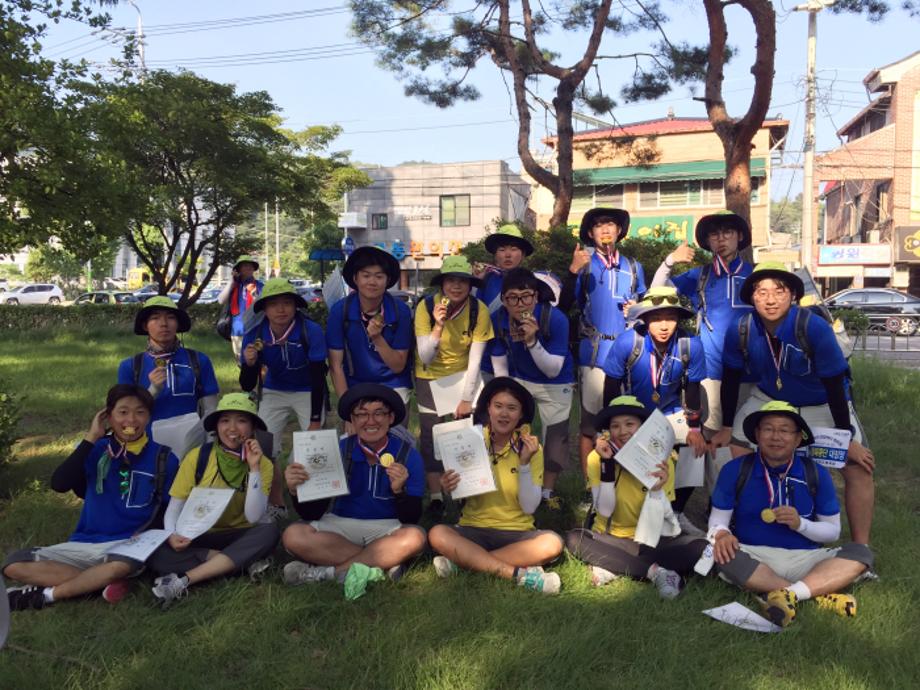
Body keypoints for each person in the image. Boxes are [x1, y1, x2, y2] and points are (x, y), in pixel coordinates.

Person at [710, 262, 876, 545]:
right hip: (770, 398)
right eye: (761, 292)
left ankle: (861, 548)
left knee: (859, 467)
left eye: (779, 291)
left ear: (793, 296)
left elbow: (835, 383)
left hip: (821, 402)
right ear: (751, 297)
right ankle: (747, 522)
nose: (770, 299)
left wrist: (845, 438)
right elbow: (731, 377)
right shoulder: (741, 327)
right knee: (735, 446)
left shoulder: (813, 327)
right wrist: (726, 426)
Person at [3, 385, 179, 610]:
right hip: (85, 543)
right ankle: (97, 584)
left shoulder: (164, 458)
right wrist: (90, 438)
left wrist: (146, 540)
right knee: (14, 565)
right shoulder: (94, 450)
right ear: (108, 415)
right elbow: (59, 484)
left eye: (140, 412)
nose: (131, 420)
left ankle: (46, 595)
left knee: (117, 568)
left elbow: (168, 509)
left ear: (149, 417)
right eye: (122, 412)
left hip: (127, 547)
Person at [709, 401, 874, 627]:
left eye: (785, 430)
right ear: (757, 435)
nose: (776, 436)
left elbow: (832, 532)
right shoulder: (735, 469)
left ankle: (788, 594)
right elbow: (718, 521)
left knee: (860, 553)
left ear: (798, 439)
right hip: (753, 555)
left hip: (805, 558)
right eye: (768, 429)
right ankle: (815, 593)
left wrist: (800, 525)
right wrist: (721, 535)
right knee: (717, 553)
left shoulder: (815, 472)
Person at [281, 384, 426, 589]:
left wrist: (399, 491)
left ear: (391, 418)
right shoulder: (338, 450)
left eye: (379, 414)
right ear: (352, 419)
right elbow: (313, 513)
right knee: (293, 535)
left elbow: (411, 518)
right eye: (361, 414)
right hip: (341, 526)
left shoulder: (409, 455)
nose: (371, 421)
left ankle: (329, 573)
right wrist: (295, 491)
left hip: (387, 528)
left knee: (415, 537)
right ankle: (381, 563)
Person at [649, 211, 755, 491]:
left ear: (740, 237)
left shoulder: (755, 276)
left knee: (749, 438)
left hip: (752, 373)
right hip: (711, 373)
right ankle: (717, 505)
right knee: (713, 441)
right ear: (707, 241)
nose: (721, 239)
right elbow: (656, 292)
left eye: (728, 233)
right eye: (714, 234)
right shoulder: (701, 276)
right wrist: (671, 260)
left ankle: (745, 499)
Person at [428, 377, 564, 595]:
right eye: (498, 406)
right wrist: (447, 486)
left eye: (512, 408)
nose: (503, 413)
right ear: (488, 409)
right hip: (473, 528)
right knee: (437, 533)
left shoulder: (531, 447)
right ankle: (519, 575)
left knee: (552, 543)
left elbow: (529, 508)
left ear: (521, 415)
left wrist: (525, 464)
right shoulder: (468, 440)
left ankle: (465, 563)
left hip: (517, 533)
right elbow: (457, 490)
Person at [565, 396, 707, 597]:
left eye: (630, 424)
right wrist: (607, 465)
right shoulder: (597, 457)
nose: (622, 431)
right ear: (608, 431)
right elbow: (604, 510)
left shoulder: (662, 460)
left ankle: (615, 566)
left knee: (702, 548)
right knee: (574, 539)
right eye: (615, 426)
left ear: (643, 427)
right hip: (611, 538)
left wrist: (657, 490)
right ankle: (655, 572)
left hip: (650, 540)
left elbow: (664, 521)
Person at [148, 393, 280, 605]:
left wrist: (254, 468)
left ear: (253, 427)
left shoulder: (263, 464)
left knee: (269, 531)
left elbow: (254, 516)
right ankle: (239, 563)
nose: (232, 428)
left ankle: (183, 581)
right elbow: (175, 506)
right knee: (158, 553)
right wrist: (172, 535)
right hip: (199, 533)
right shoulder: (198, 457)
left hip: (240, 532)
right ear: (216, 426)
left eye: (242, 420)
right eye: (225, 420)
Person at [601, 287, 707, 534]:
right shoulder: (628, 342)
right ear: (645, 318)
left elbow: (692, 388)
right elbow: (611, 385)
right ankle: (624, 509)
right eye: (657, 318)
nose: (663, 325)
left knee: (695, 449)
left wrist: (694, 428)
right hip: (632, 411)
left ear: (678, 320)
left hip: (670, 410)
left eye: (670, 318)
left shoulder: (691, 344)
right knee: (625, 454)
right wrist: (610, 426)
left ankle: (677, 512)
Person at [556, 207, 646, 475]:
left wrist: (637, 308)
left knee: (626, 419)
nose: (605, 230)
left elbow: (644, 307)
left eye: (611, 225)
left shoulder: (633, 266)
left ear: (619, 231)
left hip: (629, 353)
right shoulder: (584, 263)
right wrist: (572, 272)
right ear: (590, 233)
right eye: (598, 226)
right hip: (595, 353)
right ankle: (590, 482)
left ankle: (624, 477)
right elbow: (564, 304)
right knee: (591, 422)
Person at [489, 267, 575, 508]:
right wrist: (503, 390)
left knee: (555, 436)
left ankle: (547, 493)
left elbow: (553, 370)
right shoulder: (498, 318)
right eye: (512, 298)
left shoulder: (555, 318)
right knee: (509, 427)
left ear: (536, 296)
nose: (520, 303)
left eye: (526, 296)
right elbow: (499, 358)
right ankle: (512, 481)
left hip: (556, 381)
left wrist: (532, 341)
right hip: (520, 378)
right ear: (504, 300)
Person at [414, 255, 494, 516]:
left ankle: (465, 491)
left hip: (462, 373)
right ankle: (436, 496)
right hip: (429, 375)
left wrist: (467, 397)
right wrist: (438, 326)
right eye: (451, 281)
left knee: (466, 433)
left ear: (470, 284)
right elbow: (425, 356)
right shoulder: (426, 308)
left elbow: (476, 358)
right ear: (442, 284)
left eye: (463, 281)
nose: (457, 287)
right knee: (430, 436)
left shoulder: (477, 309)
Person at [240, 278, 327, 513]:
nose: (281, 310)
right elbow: (247, 383)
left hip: (308, 390)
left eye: (287, 303)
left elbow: (319, 376)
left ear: (296, 306)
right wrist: (249, 364)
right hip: (274, 390)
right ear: (264, 309)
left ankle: (312, 498)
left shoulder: (311, 330)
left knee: (314, 443)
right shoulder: (254, 334)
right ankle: (276, 502)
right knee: (265, 446)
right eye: (273, 304)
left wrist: (316, 419)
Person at [117, 296, 219, 457]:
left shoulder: (199, 360)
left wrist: (210, 443)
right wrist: (152, 390)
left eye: (170, 317)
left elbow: (211, 408)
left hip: (191, 444)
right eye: (155, 318)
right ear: (145, 326)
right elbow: (125, 416)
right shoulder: (130, 366)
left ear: (178, 324)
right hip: (145, 447)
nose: (164, 323)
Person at [327, 246, 412, 404]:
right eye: (366, 276)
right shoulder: (340, 311)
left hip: (394, 383)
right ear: (355, 279)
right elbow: (335, 365)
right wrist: (347, 406)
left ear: (387, 281)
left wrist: (377, 338)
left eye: (379, 276)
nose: (372, 282)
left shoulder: (400, 311)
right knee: (356, 424)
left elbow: (398, 366)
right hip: (355, 384)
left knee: (394, 426)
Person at [475, 223, 535, 314]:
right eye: (502, 250)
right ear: (495, 255)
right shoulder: (486, 279)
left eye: (514, 249)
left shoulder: (531, 281)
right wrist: (476, 281)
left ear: (523, 255)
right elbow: (474, 309)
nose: (508, 255)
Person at [218, 255, 264, 359]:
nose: (248, 268)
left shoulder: (260, 286)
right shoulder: (234, 286)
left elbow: (263, 306)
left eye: (250, 266)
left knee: (258, 362)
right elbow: (221, 300)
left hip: (257, 330)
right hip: (237, 330)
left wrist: (254, 294)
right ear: (238, 269)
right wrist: (231, 282)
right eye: (245, 266)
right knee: (241, 363)